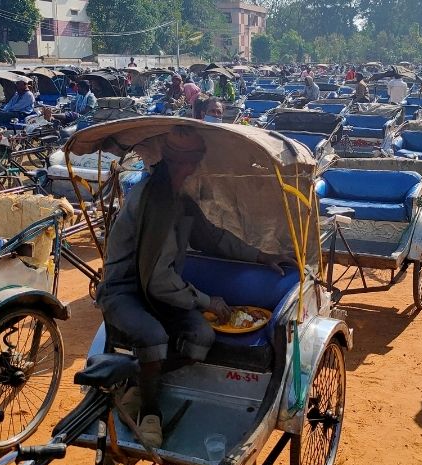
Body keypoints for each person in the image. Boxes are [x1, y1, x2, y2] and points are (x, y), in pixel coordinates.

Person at [96, 126, 292, 447]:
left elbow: (212, 238)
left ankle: (138, 381)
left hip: (160, 294)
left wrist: (260, 256)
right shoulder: (153, 199)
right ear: (185, 165)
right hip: (125, 293)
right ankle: (150, 412)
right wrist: (207, 301)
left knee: (202, 336)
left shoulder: (178, 198)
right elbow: (158, 278)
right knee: (153, 335)